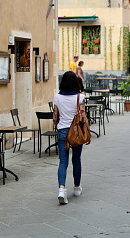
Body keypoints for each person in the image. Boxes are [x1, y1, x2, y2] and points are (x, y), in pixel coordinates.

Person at [52, 71, 90, 204]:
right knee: (76, 159)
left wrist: (58, 126)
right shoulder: (80, 97)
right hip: (76, 133)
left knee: (63, 162)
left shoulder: (57, 97)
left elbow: (55, 117)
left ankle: (62, 189)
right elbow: (83, 117)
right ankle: (77, 187)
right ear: (75, 82)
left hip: (62, 131)